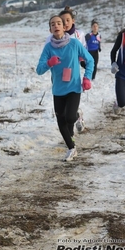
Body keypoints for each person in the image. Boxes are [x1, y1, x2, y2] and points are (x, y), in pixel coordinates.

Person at [36, 15, 93, 162]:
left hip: (74, 87)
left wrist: (87, 77)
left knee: (69, 117)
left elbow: (89, 60)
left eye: (59, 23)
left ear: (64, 27)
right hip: (58, 90)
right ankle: (71, 148)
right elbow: (39, 70)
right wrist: (49, 62)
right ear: (50, 29)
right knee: (61, 121)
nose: (56, 26)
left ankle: (76, 116)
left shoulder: (74, 44)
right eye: (53, 24)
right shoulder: (48, 48)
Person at [110, 14, 125, 140]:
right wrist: (113, 63)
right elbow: (113, 51)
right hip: (122, 75)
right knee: (123, 103)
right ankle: (118, 103)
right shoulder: (122, 36)